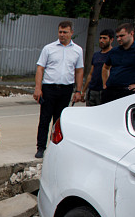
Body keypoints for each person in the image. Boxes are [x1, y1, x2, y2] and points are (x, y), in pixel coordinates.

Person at [33, 20, 84, 158]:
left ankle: (55, 148)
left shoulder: (77, 51)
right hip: (49, 88)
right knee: (45, 119)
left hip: (66, 89)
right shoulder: (49, 48)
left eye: (65, 32)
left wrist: (78, 90)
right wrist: (38, 88)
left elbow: (79, 71)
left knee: (59, 121)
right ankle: (41, 147)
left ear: (71, 33)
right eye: (60, 32)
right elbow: (40, 68)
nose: (62, 35)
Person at [82, 29, 114, 106]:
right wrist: (83, 91)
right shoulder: (96, 55)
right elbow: (90, 74)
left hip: (103, 91)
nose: (101, 40)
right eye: (100, 38)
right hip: (92, 90)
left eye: (105, 38)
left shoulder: (114, 54)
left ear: (111, 39)